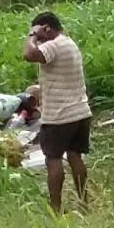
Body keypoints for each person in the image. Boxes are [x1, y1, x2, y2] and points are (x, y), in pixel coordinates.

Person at [22, 11, 92, 212]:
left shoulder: (54, 45)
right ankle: (83, 201)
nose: (39, 39)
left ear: (46, 29)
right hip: (80, 112)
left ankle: (55, 209)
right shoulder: (69, 44)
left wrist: (32, 36)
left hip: (59, 115)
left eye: (40, 33)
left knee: (53, 160)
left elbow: (28, 54)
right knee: (75, 156)